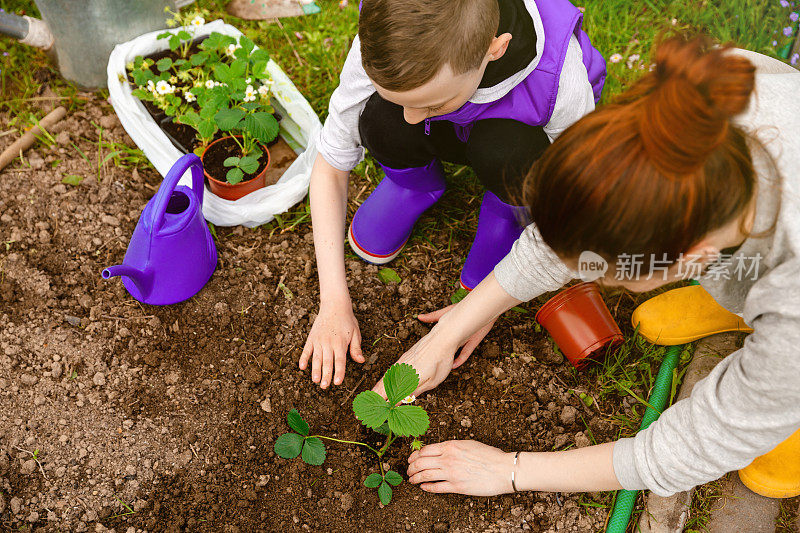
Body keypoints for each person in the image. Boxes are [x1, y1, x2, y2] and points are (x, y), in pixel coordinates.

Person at [372, 35, 800, 498]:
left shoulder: (792, 297)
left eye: (602, 269)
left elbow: (696, 444)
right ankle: (742, 310)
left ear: (693, 255)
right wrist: (450, 330)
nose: (588, 272)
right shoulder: (684, 111)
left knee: (769, 415)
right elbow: (574, 232)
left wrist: (510, 471)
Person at [300, 0, 606, 389]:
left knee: (505, 152)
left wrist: (483, 309)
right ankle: (413, 185)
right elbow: (331, 162)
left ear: (494, 48)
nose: (411, 116)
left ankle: (506, 212)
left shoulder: (558, 78)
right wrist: (332, 303)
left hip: (519, 133)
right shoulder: (393, 38)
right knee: (380, 119)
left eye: (429, 103)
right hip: (455, 114)